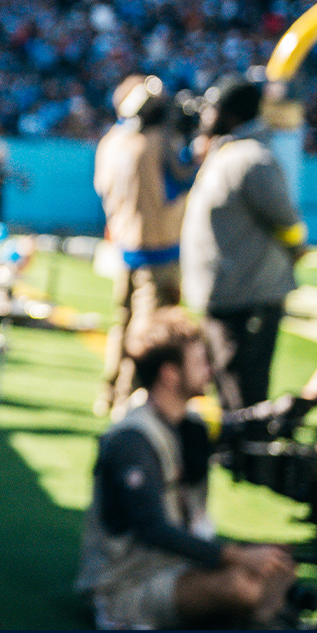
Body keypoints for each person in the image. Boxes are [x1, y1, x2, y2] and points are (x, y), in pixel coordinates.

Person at [77, 309, 317, 629]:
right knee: (241, 586)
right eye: (199, 362)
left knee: (278, 565)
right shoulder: (133, 439)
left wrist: (309, 398)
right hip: (127, 587)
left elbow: (247, 426)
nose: (209, 370)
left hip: (174, 569)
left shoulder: (187, 423)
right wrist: (237, 556)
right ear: (170, 374)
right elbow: (153, 529)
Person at [178, 76, 304, 410]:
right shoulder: (230, 153)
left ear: (231, 115)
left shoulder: (251, 159)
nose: (204, 116)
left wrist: (294, 251)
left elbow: (287, 221)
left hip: (248, 299)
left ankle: (249, 462)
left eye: (212, 109)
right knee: (227, 389)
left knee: (244, 396)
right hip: (229, 297)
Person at [94, 76, 187, 417]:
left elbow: (102, 188)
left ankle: (108, 391)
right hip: (158, 245)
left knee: (122, 321)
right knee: (146, 328)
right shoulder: (155, 141)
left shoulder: (113, 140)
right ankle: (126, 398)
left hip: (124, 242)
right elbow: (182, 179)